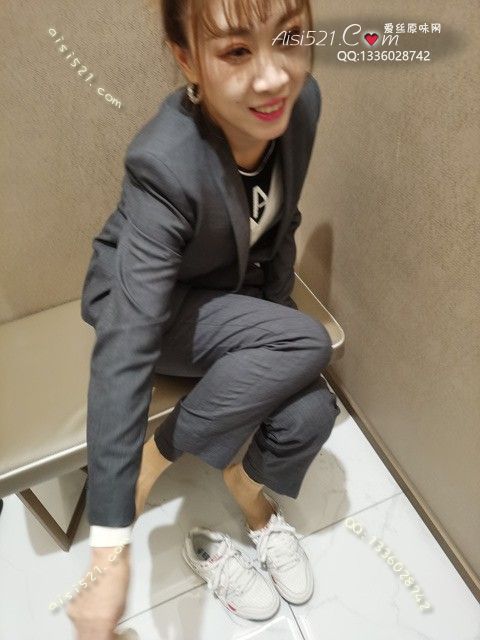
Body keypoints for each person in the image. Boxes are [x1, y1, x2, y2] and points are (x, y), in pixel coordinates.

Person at [67, 0, 340, 637]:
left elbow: (281, 224)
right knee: (308, 341)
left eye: (289, 37)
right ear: (187, 59)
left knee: (310, 413)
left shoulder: (302, 103)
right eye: (237, 50)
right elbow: (125, 345)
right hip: (152, 308)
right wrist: (109, 550)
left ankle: (248, 492)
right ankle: (155, 460)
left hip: (229, 291)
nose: (272, 75)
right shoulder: (164, 161)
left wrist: (270, 326)